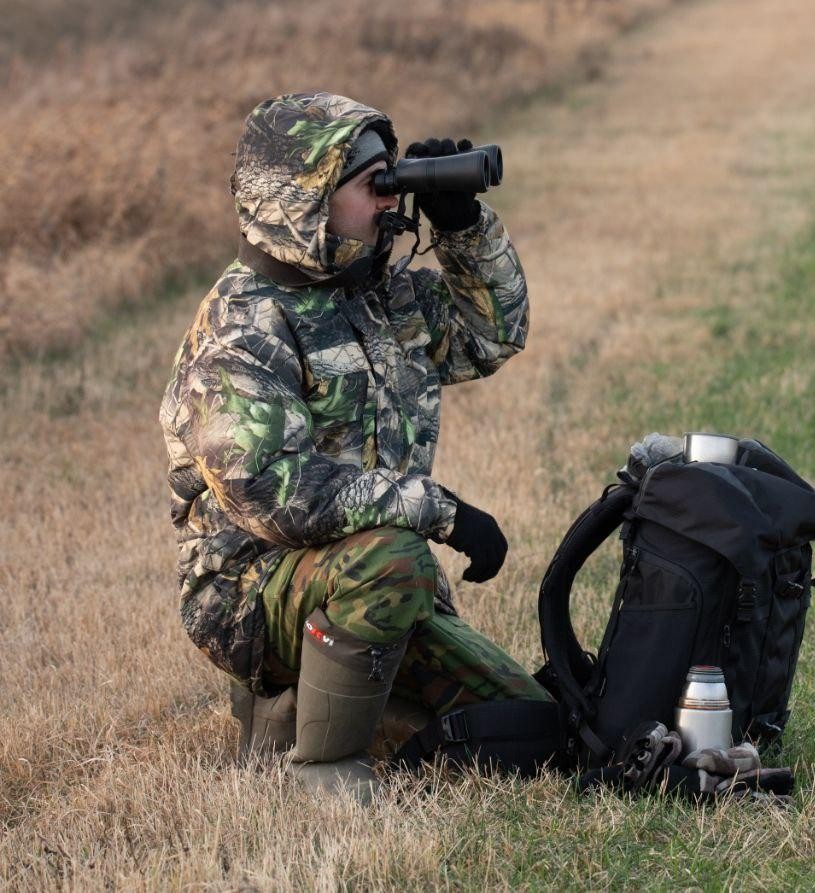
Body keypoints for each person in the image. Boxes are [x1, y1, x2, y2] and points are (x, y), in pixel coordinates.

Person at [159, 91, 553, 803]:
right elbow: (276, 492)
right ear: (302, 200)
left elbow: (492, 335)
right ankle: (323, 768)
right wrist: (438, 511)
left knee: (530, 724)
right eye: (372, 187)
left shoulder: (379, 296)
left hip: (372, 579)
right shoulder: (241, 327)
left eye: (392, 181)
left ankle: (311, 713)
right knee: (395, 554)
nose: (389, 203)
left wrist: (463, 226)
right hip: (252, 593)